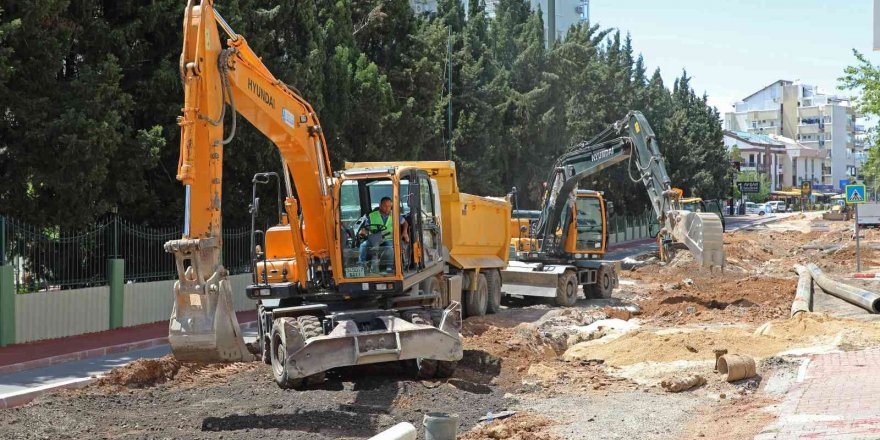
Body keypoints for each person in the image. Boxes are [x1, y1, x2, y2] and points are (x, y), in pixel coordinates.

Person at [358, 197, 409, 267]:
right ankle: (361, 266)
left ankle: (389, 268)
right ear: (380, 205)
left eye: (389, 206)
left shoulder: (395, 215)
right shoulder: (372, 215)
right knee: (363, 245)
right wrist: (363, 231)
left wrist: (405, 232)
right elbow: (367, 228)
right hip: (375, 238)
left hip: (389, 238)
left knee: (390, 248)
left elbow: (405, 223)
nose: (387, 208)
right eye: (385, 206)